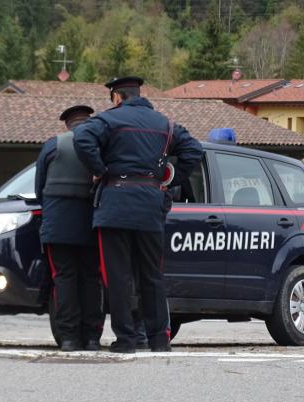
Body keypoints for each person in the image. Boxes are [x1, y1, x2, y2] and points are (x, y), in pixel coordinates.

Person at [73, 76, 203, 353]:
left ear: (117, 97)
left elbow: (82, 137)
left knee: (117, 276)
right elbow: (195, 150)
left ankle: (126, 339)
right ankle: (158, 339)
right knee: (152, 275)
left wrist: (100, 169)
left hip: (115, 205)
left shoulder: (110, 120)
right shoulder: (165, 124)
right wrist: (169, 180)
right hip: (150, 204)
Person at [35, 105, 104, 352]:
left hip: (58, 225)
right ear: (89, 122)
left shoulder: (53, 146)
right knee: (92, 278)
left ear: (67, 125)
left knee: (63, 278)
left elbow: (39, 188)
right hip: (92, 223)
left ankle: (69, 338)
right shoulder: (100, 146)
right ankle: (93, 338)